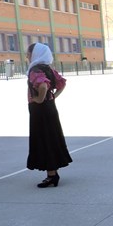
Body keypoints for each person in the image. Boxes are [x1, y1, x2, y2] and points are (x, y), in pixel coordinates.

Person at [25, 43, 72, 188]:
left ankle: (51, 175)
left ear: (34, 54)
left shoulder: (35, 70)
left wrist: (39, 99)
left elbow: (43, 85)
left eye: (28, 53)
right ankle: (53, 173)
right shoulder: (48, 68)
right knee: (51, 138)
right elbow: (62, 83)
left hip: (40, 109)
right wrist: (53, 97)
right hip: (50, 107)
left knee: (44, 139)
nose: (27, 56)